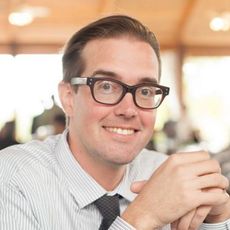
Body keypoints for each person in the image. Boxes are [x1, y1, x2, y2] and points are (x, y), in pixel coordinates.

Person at [0, 15, 229, 230]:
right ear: (68, 97)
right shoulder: (12, 178)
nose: (129, 110)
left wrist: (216, 221)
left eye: (146, 90)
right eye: (107, 86)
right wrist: (142, 216)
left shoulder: (166, 173)